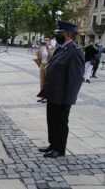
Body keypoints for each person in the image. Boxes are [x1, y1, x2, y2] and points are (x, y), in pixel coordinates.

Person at [38, 21, 85, 158]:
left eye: (60, 33)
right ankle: (52, 144)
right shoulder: (60, 48)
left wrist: (69, 98)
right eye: (57, 33)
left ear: (68, 34)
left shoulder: (74, 52)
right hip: (53, 93)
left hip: (63, 96)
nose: (57, 35)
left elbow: (75, 78)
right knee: (52, 121)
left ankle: (59, 149)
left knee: (61, 123)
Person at [35, 36, 54, 103]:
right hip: (42, 65)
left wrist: (47, 47)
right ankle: (42, 96)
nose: (46, 41)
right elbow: (38, 56)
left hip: (49, 65)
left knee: (47, 81)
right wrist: (39, 48)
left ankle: (47, 97)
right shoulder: (42, 48)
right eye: (45, 40)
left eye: (47, 40)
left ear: (49, 41)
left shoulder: (51, 47)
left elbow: (51, 56)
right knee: (42, 81)